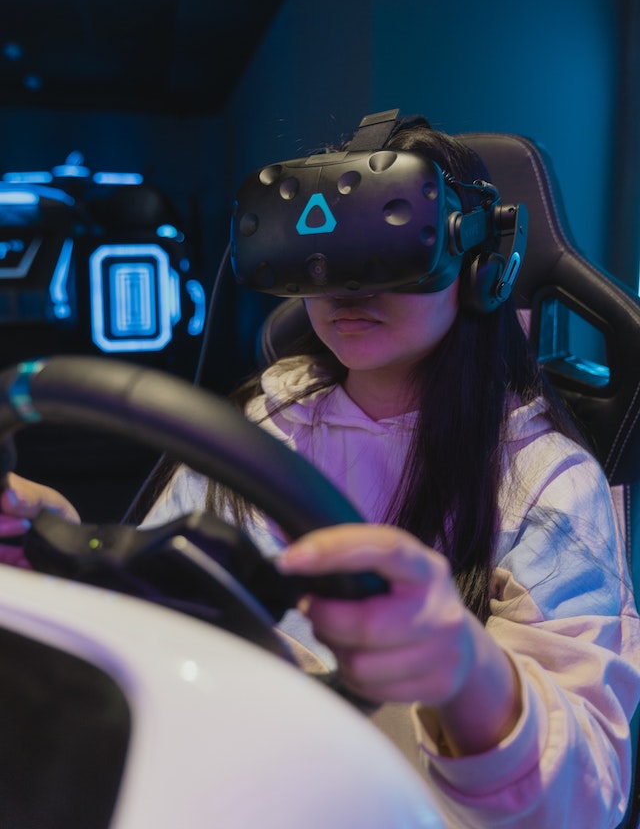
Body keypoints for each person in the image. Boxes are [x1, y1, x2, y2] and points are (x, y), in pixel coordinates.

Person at [2, 114, 639, 828]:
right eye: (325, 251)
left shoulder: (544, 483)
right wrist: (56, 549)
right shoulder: (261, 426)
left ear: (478, 266)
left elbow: (586, 795)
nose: (348, 284)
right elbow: (159, 625)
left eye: (389, 244)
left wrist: (468, 672)